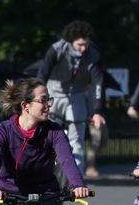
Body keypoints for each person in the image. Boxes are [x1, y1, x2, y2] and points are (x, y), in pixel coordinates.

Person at [37, 20, 106, 172]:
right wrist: (40, 100)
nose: (83, 48)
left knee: (77, 137)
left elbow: (97, 83)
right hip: (54, 93)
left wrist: (97, 111)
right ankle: (43, 170)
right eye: (79, 45)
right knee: (47, 133)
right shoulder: (57, 49)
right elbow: (42, 74)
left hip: (77, 95)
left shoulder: (93, 54)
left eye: (86, 44)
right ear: (70, 41)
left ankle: (77, 177)